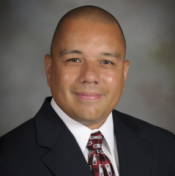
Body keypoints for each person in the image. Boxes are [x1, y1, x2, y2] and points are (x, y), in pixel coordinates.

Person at [0, 5, 174, 176]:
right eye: (74, 59)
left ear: (124, 73)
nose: (90, 76)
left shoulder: (165, 147)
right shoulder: (7, 160)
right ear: (49, 69)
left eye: (106, 62)